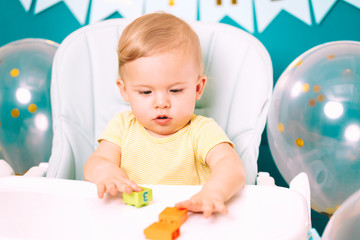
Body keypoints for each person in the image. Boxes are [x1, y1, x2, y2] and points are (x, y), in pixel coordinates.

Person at [83, 12, 245, 218]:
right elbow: (95, 162)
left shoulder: (201, 131)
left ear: (197, 88)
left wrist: (214, 192)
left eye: (175, 91)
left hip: (187, 222)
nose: (161, 103)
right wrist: (108, 174)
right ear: (124, 90)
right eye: (146, 92)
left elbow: (232, 167)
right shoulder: (123, 126)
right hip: (127, 220)